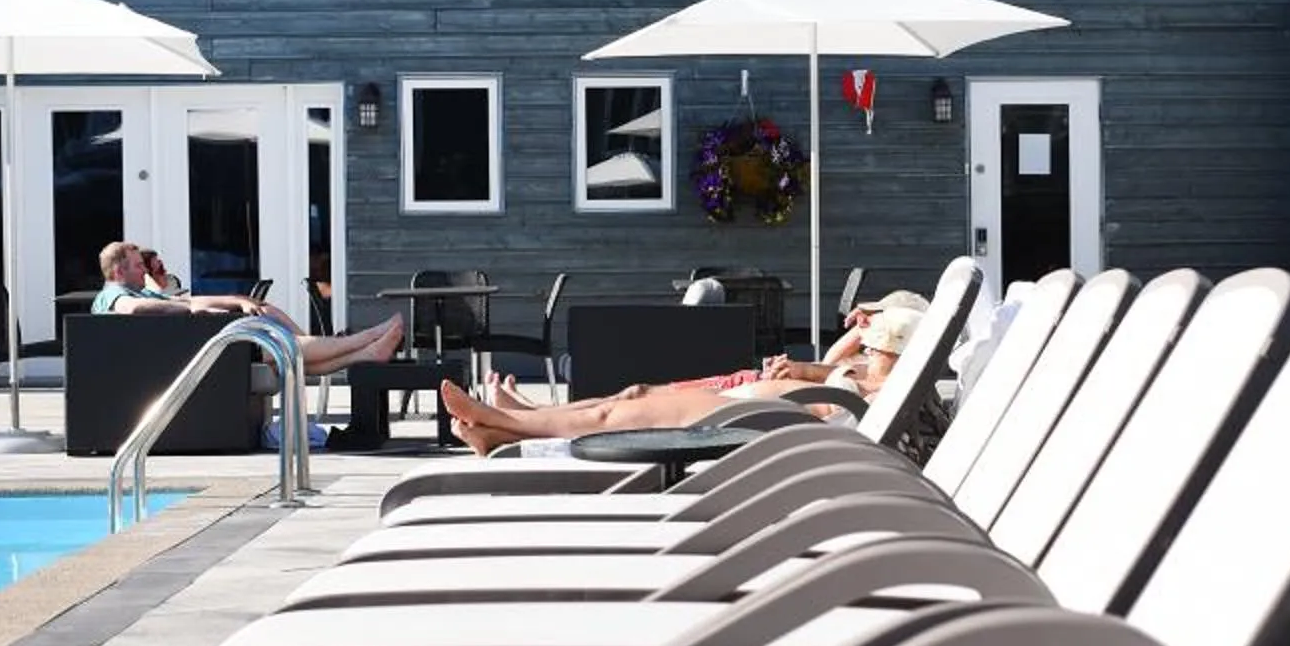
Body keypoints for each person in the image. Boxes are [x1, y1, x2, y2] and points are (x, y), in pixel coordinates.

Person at [440, 301, 923, 458]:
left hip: (754, 418)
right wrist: (866, 328)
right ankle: (503, 431)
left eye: (879, 348)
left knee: (619, 416)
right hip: (752, 407)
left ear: (902, 356)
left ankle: (507, 424)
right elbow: (836, 360)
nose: (869, 350)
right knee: (628, 403)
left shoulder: (884, 393)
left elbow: (842, 382)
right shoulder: (868, 380)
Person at [92, 239, 406, 375]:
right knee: (284, 348)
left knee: (288, 361)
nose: (143, 272)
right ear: (118, 271)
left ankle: (366, 353)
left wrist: (235, 301)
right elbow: (132, 310)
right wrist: (192, 312)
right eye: (137, 266)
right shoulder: (114, 295)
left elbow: (187, 300)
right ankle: (367, 338)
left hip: (203, 351)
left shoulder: (136, 291)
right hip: (200, 356)